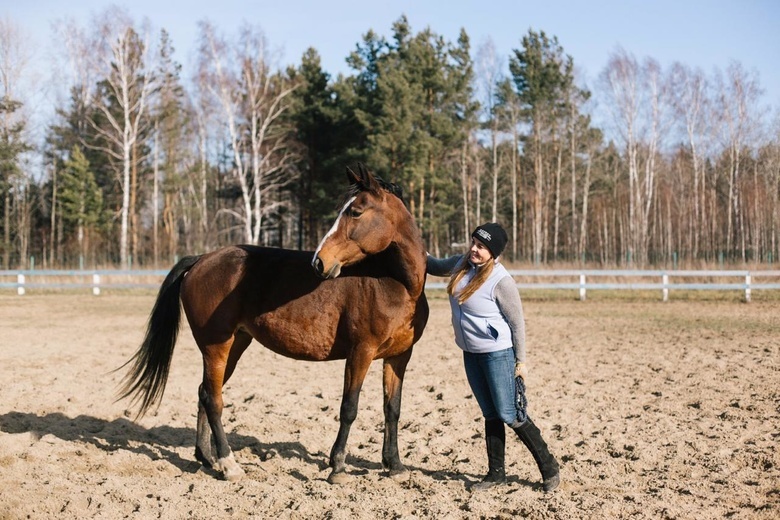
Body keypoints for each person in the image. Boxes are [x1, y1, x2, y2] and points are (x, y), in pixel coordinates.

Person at [426, 222, 560, 492]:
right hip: (471, 353)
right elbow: (434, 265)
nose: (474, 249)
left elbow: (517, 323)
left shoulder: (501, 281)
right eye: (474, 243)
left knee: (509, 412)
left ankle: (549, 467)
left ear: (493, 252)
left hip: (497, 354)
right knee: (490, 413)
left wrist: (520, 361)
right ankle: (495, 474)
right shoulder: (461, 264)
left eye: (482, 247)